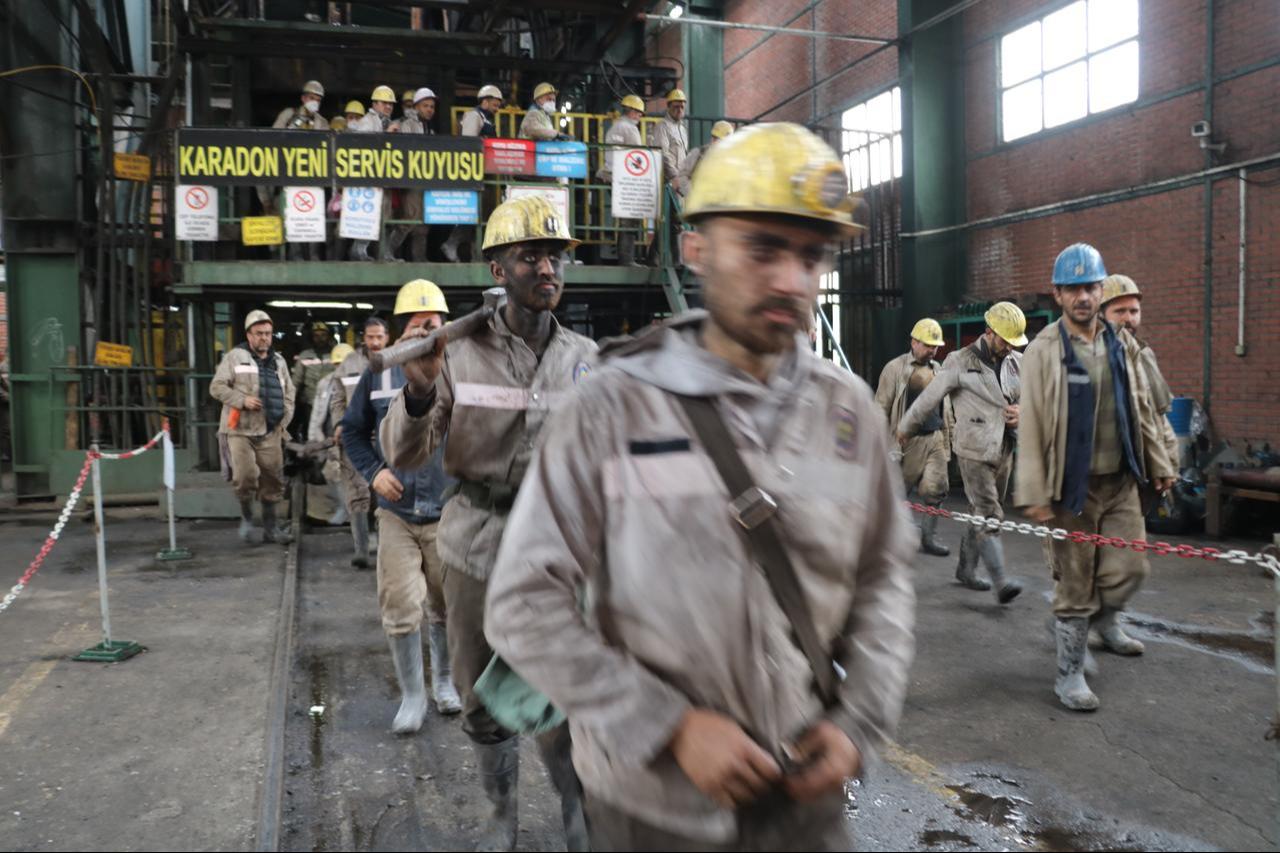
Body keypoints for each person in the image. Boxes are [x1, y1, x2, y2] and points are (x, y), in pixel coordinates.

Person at [484, 121, 915, 852]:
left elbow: (884, 579)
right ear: (696, 247)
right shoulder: (612, 407)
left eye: (812, 256)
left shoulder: (849, 412)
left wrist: (858, 721)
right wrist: (667, 724)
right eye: (762, 248)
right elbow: (523, 604)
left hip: (806, 806)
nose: (792, 280)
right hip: (651, 811)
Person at [379, 195, 596, 851]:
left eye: (554, 255)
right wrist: (417, 392)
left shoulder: (585, 356)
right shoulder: (456, 352)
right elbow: (404, 453)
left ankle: (577, 813)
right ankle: (502, 813)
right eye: (530, 255)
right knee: (480, 700)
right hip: (476, 541)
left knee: (567, 692)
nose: (547, 267)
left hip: (560, 546)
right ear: (498, 269)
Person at [1016, 243, 1176, 711]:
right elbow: (1033, 424)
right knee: (1076, 582)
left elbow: (1143, 405)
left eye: (1090, 287)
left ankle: (1099, 623)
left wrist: (1160, 465)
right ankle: (1068, 675)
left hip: (1121, 480)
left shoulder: (1119, 341)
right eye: (1074, 289)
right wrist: (1036, 491)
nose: (1084, 297)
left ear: (1100, 289)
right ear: (1058, 294)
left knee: (1132, 567)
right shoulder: (1044, 350)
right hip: (1073, 489)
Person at [343, 281, 465, 728]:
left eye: (433, 324)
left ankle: (445, 681)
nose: (425, 333)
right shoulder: (378, 374)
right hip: (395, 514)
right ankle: (413, 696)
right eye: (416, 326)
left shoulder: (459, 367)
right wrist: (375, 472)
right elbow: (352, 432)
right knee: (400, 604)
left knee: (445, 604)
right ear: (398, 332)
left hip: (447, 511)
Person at [898, 302, 1029, 602]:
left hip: (1004, 447)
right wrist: (905, 428)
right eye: (1006, 340)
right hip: (972, 451)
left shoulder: (1016, 362)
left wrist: (1022, 411)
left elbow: (1033, 398)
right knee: (989, 513)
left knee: (980, 514)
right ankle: (1001, 582)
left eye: (1014, 342)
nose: (1010, 347)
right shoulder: (959, 361)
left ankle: (966, 570)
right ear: (990, 332)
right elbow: (928, 399)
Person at [209, 310, 296, 545]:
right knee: (245, 477)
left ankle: (271, 529)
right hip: (240, 430)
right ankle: (247, 517)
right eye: (259, 334)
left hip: (270, 431)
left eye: (267, 334)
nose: (264, 338)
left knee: (273, 480)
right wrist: (242, 400)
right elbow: (216, 387)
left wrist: (283, 421)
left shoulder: (279, 362)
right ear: (249, 335)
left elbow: (289, 393)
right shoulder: (235, 357)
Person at [875, 319, 953, 557]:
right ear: (914, 342)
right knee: (898, 493)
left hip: (935, 437)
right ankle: (888, 542)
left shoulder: (939, 370)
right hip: (905, 442)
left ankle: (928, 539)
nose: (932, 350)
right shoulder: (895, 368)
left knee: (936, 489)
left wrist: (949, 438)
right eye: (928, 345)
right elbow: (880, 407)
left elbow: (945, 408)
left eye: (935, 346)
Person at [329, 317, 383, 568]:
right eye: (370, 337)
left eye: (379, 337)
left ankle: (383, 545)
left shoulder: (398, 361)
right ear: (364, 337)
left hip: (387, 438)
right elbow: (338, 398)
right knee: (358, 492)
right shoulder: (349, 365)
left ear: (387, 337)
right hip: (356, 437)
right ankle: (361, 549)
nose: (375, 342)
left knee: (383, 492)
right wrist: (340, 423)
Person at [443, 84, 503, 263]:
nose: (497, 107)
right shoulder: (474, 116)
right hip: (475, 173)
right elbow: (469, 144)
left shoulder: (488, 119)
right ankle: (451, 243)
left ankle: (477, 255)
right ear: (484, 101)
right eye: (495, 103)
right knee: (472, 211)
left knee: (484, 214)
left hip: (486, 173)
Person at [349, 85, 401, 261]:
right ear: (375, 104)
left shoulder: (386, 121)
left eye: (391, 104)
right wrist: (386, 134)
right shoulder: (367, 121)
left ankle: (384, 253)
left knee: (386, 216)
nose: (388, 107)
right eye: (385, 103)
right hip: (369, 176)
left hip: (384, 177)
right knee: (368, 216)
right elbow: (363, 145)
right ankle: (359, 250)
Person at [308, 342, 355, 526]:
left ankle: (361, 515)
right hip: (331, 439)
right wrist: (315, 438)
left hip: (356, 438)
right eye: (337, 364)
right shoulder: (325, 384)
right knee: (332, 473)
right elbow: (318, 413)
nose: (340, 368)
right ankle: (345, 509)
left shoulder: (363, 381)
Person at [598, 94, 647, 266]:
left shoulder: (616, 126)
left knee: (626, 217)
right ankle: (627, 259)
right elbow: (637, 155)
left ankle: (625, 258)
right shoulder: (629, 128)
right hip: (623, 178)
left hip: (611, 175)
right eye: (639, 113)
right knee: (630, 217)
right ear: (631, 111)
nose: (640, 116)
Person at [396, 87, 439, 261]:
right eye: (425, 106)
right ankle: (387, 252)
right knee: (408, 219)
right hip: (411, 179)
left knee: (423, 223)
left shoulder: (429, 127)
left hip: (425, 180)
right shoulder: (407, 124)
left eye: (432, 106)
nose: (430, 109)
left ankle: (419, 259)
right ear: (416, 106)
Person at [291, 321, 336, 440]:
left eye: (323, 335)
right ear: (312, 337)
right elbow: (296, 382)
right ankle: (312, 457)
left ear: (329, 336)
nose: (320, 338)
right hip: (310, 403)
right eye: (316, 335)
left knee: (330, 432)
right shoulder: (304, 355)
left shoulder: (335, 354)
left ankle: (329, 457)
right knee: (311, 433)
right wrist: (290, 400)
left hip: (332, 402)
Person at [675, 119, 733, 197]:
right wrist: (694, 195)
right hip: (700, 206)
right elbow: (682, 176)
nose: (715, 141)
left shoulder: (734, 161)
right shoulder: (698, 154)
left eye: (718, 139)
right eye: (714, 138)